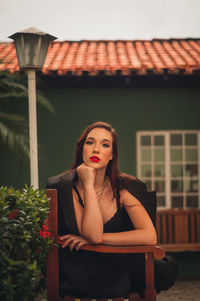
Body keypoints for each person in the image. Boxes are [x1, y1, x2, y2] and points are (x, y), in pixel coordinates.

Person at [46, 121, 177, 298]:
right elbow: (93, 234)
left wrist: (100, 239)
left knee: (154, 272)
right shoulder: (65, 187)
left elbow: (149, 235)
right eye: (90, 142)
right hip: (80, 268)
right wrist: (88, 184)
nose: (96, 149)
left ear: (111, 155)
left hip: (115, 264)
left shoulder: (121, 189)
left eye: (105, 145)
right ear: (82, 149)